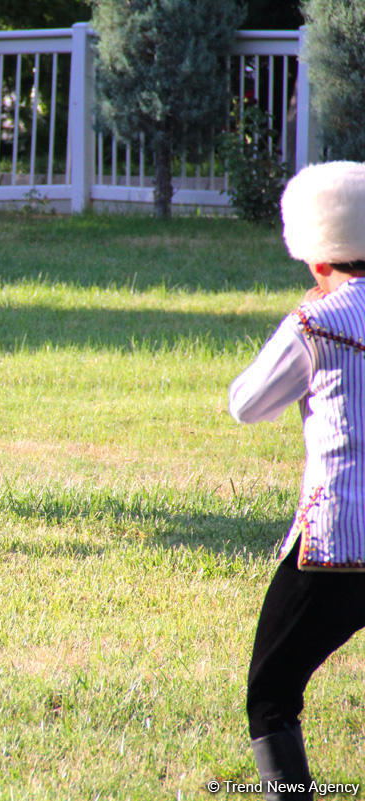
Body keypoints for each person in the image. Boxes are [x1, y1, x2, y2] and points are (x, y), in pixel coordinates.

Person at [228, 161, 365, 800]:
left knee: (272, 694)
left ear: (318, 258)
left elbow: (247, 404)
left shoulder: (316, 324)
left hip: (337, 543)